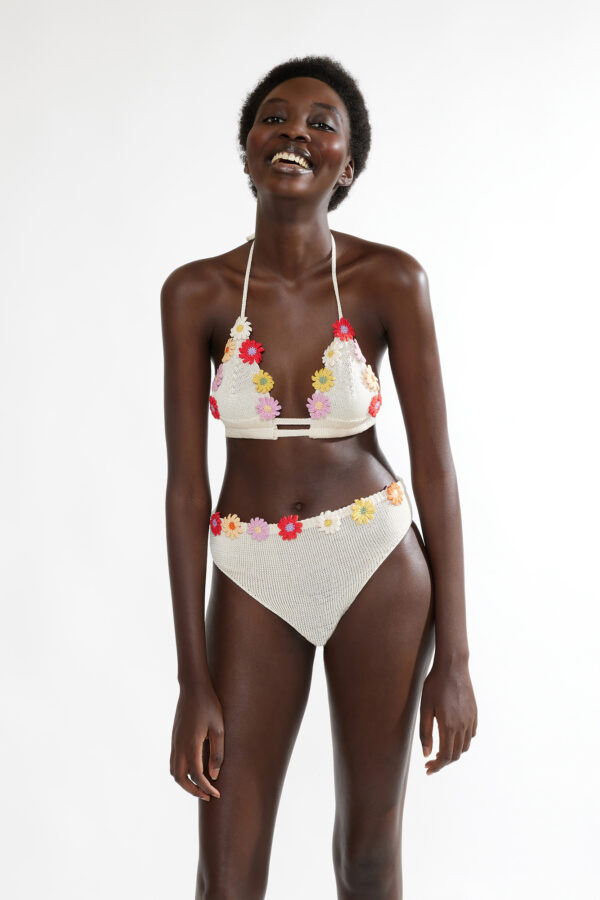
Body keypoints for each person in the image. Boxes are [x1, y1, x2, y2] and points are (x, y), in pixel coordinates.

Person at [161, 54, 478, 900]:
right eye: (274, 117)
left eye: (320, 123)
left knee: (368, 857)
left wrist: (456, 657)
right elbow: (186, 490)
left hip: (377, 563)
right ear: (247, 149)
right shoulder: (195, 292)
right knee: (226, 875)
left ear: (349, 166)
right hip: (250, 571)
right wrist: (192, 678)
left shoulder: (390, 280)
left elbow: (437, 471)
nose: (294, 131)